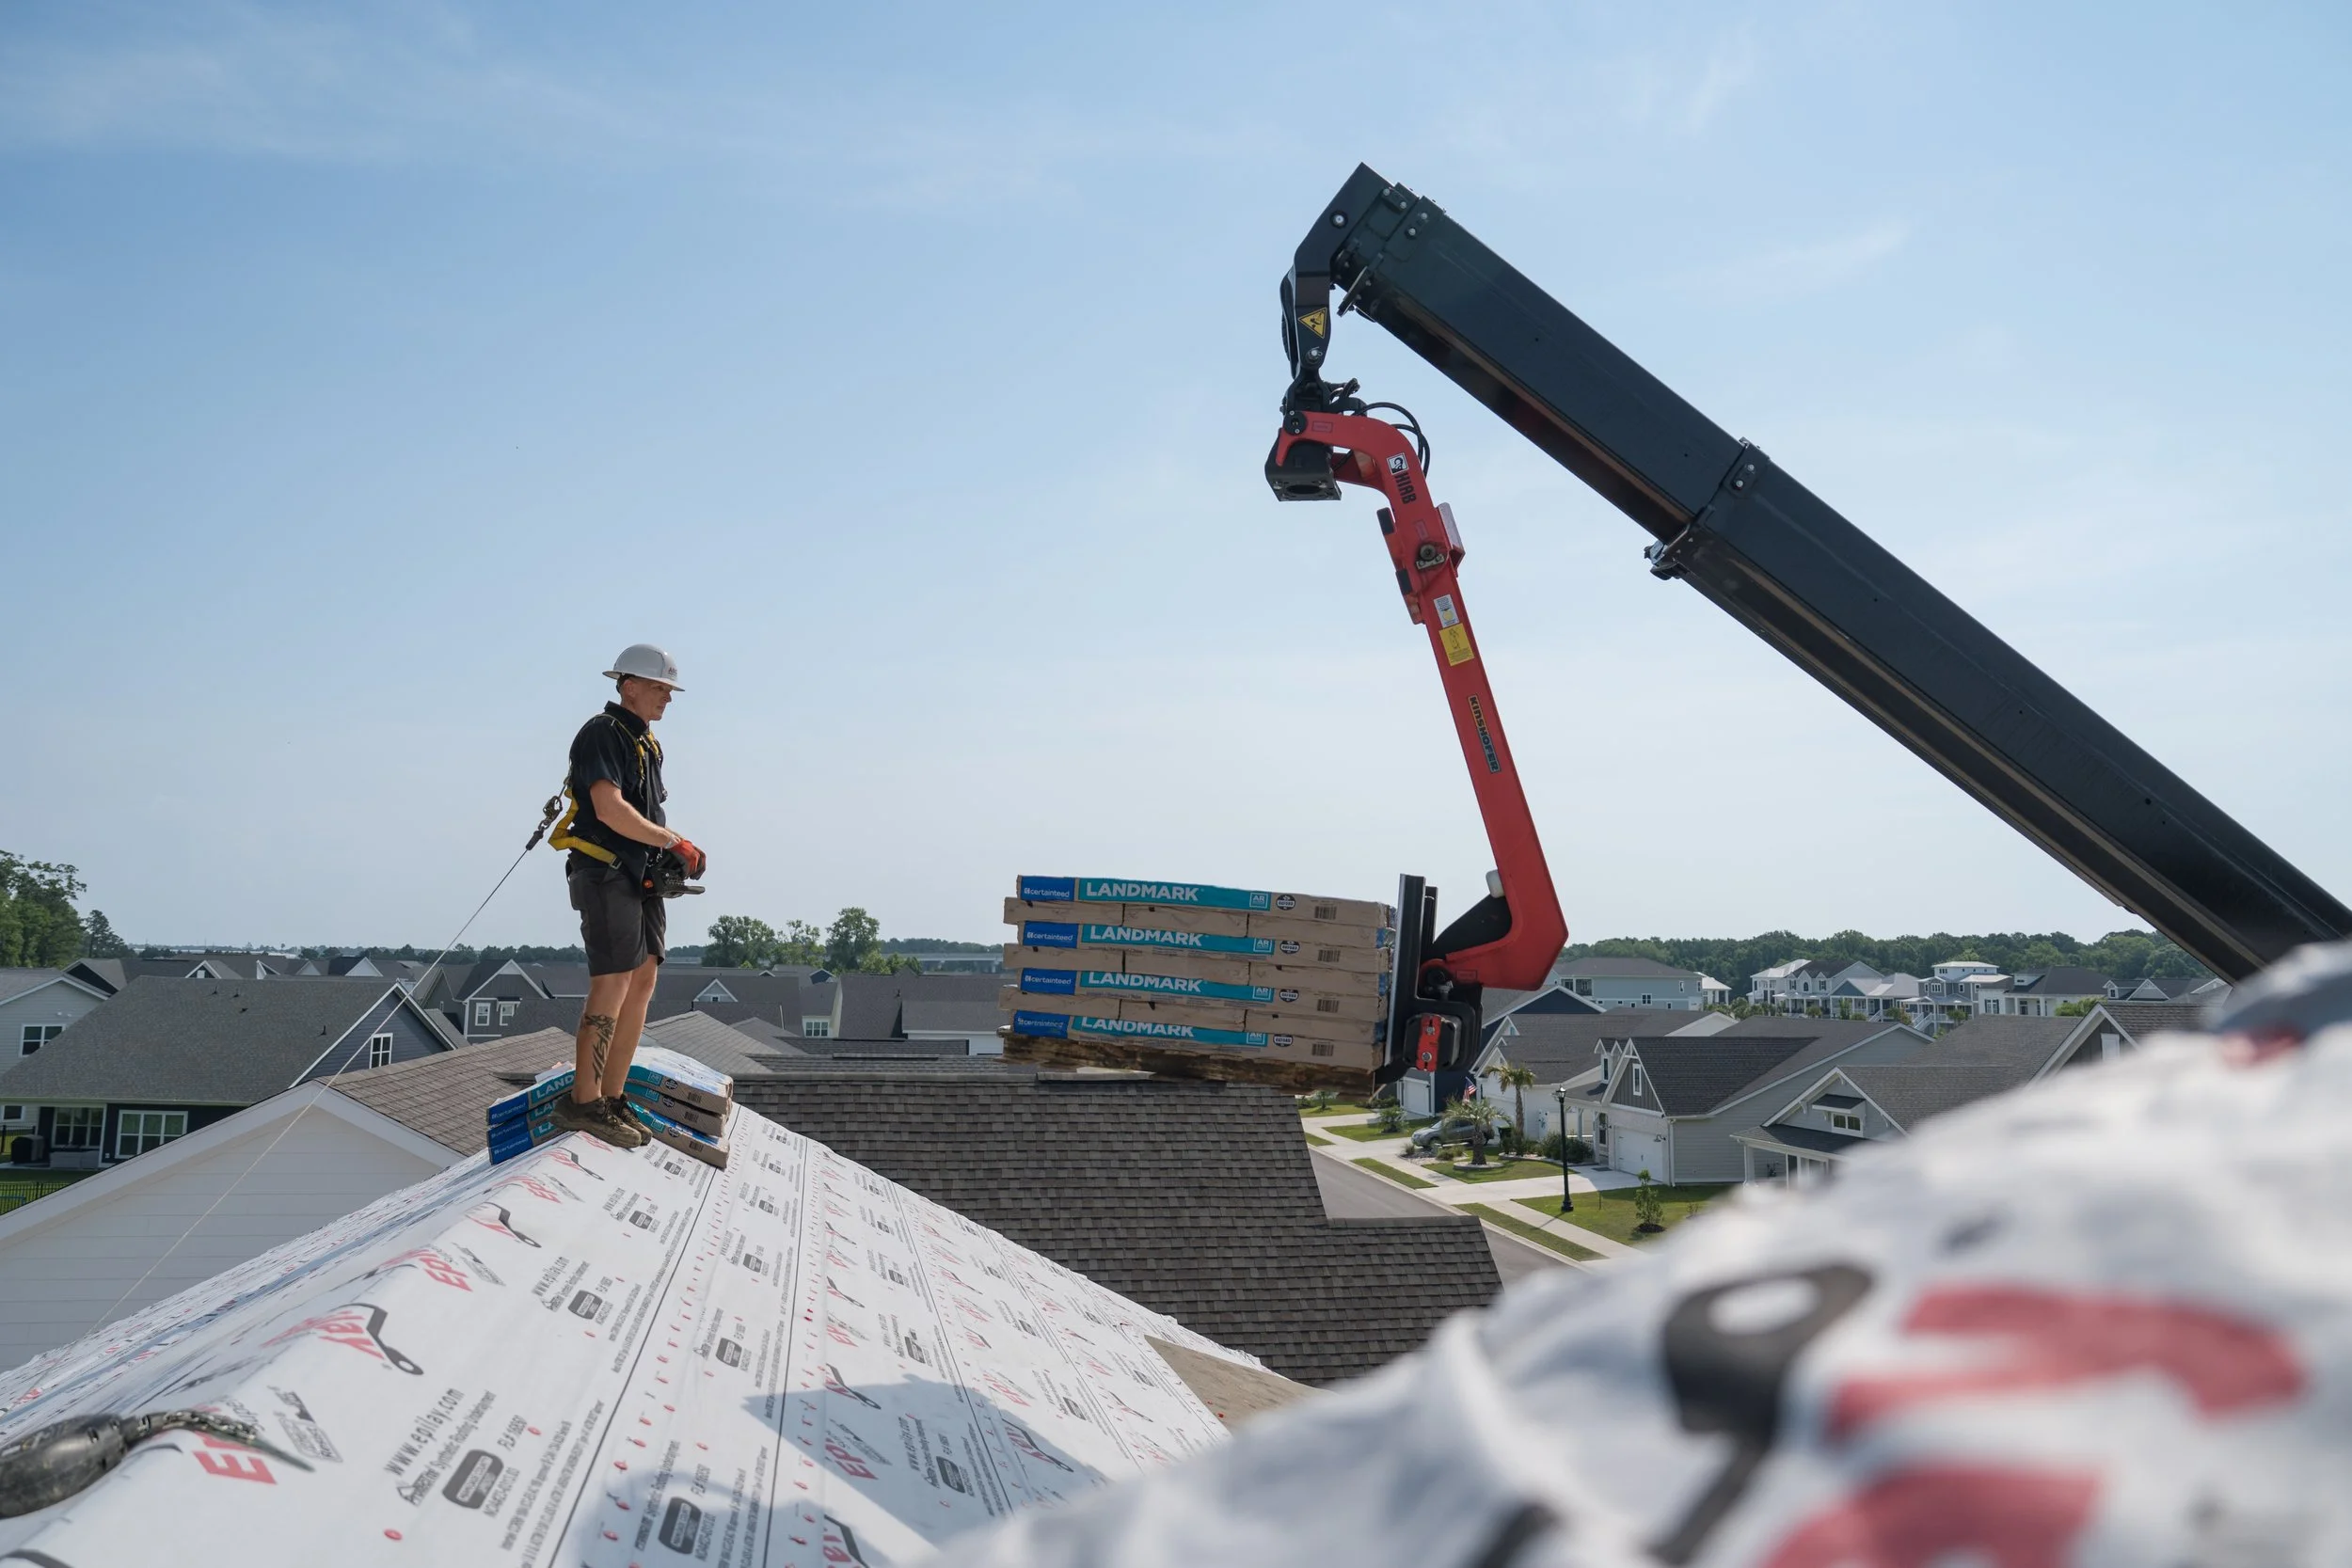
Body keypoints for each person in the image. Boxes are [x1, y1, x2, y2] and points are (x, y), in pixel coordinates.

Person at [546, 642, 707, 1148]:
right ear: (629, 686)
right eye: (660, 689)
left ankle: (611, 1099)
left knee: (642, 981)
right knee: (612, 982)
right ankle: (583, 1103)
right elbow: (609, 808)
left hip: (637, 877)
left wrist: (666, 851)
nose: (668, 699)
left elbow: (643, 814)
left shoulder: (645, 742)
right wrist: (672, 840)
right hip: (604, 873)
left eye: (669, 691)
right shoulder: (601, 733)